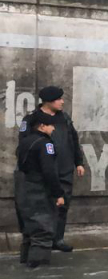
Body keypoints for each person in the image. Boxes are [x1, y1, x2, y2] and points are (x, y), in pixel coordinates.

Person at [20, 86, 84, 252]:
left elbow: (73, 140)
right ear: (48, 101)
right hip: (43, 173)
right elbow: (24, 146)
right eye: (59, 99)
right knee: (42, 209)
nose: (62, 102)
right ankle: (41, 242)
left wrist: (79, 162)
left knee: (63, 206)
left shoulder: (65, 118)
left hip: (65, 169)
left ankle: (58, 239)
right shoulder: (31, 120)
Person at [15, 111, 66, 268]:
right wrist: (58, 194)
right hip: (39, 192)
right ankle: (39, 268)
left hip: (23, 192)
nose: (53, 129)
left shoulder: (25, 142)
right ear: (42, 126)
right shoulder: (45, 144)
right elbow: (49, 171)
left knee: (29, 232)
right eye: (51, 125)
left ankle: (25, 263)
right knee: (42, 232)